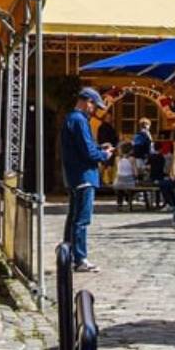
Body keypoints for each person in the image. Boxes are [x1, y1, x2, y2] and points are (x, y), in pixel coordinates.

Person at [62, 87, 115, 272]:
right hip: (84, 175)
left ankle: (67, 254)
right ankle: (80, 258)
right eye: (94, 106)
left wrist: (99, 147)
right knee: (82, 219)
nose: (94, 111)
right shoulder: (79, 120)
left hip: (75, 175)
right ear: (87, 102)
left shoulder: (71, 118)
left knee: (73, 217)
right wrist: (104, 154)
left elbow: (83, 146)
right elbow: (87, 151)